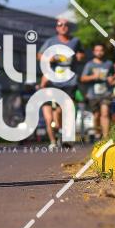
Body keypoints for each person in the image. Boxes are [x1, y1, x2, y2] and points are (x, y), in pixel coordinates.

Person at [37, 18, 84, 149]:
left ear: (69, 27)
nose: (63, 27)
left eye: (65, 25)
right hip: (54, 81)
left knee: (67, 109)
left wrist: (80, 57)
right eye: (60, 25)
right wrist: (50, 58)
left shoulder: (75, 41)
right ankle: (56, 137)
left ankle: (66, 136)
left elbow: (81, 54)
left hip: (70, 81)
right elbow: (39, 55)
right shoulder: (51, 42)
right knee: (56, 112)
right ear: (57, 28)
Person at [80, 44, 114, 140]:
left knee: (105, 113)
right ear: (94, 52)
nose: (99, 52)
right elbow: (83, 78)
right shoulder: (89, 64)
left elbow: (111, 75)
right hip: (93, 94)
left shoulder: (109, 64)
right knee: (96, 115)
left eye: (101, 50)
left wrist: (111, 79)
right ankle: (98, 133)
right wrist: (93, 77)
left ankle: (106, 137)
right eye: (97, 50)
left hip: (106, 93)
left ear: (104, 51)